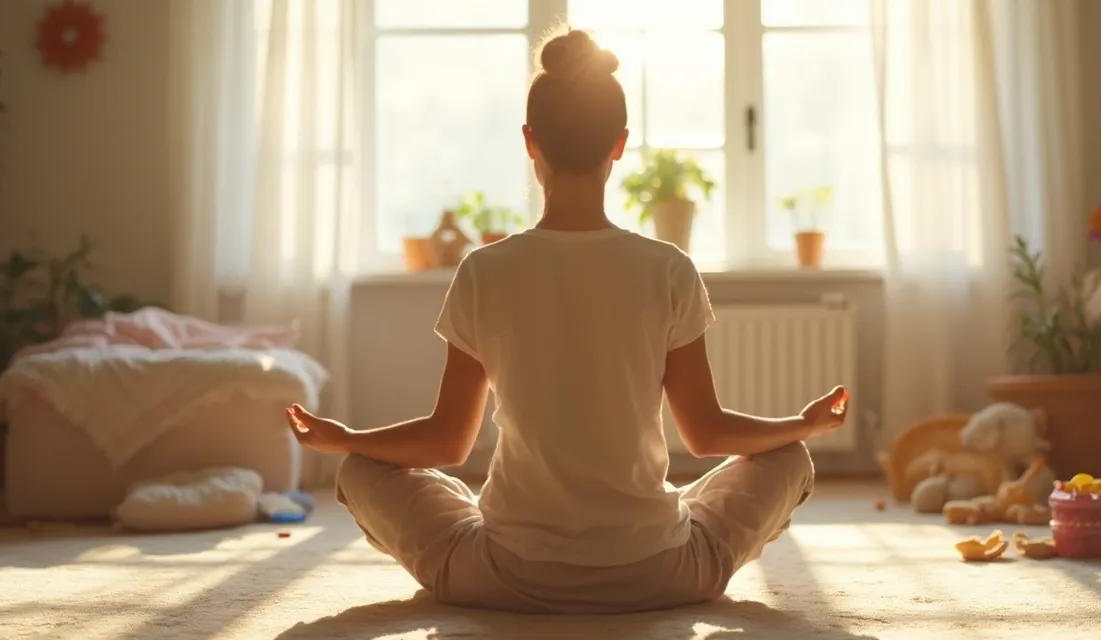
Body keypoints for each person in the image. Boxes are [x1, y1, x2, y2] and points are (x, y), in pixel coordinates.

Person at [285, 28, 847, 613]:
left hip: (506, 575)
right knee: (789, 457)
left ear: (530, 143)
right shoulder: (668, 267)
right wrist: (800, 424)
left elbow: (447, 441)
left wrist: (346, 438)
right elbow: (706, 434)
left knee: (360, 470)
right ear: (621, 144)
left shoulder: (485, 270)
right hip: (660, 573)